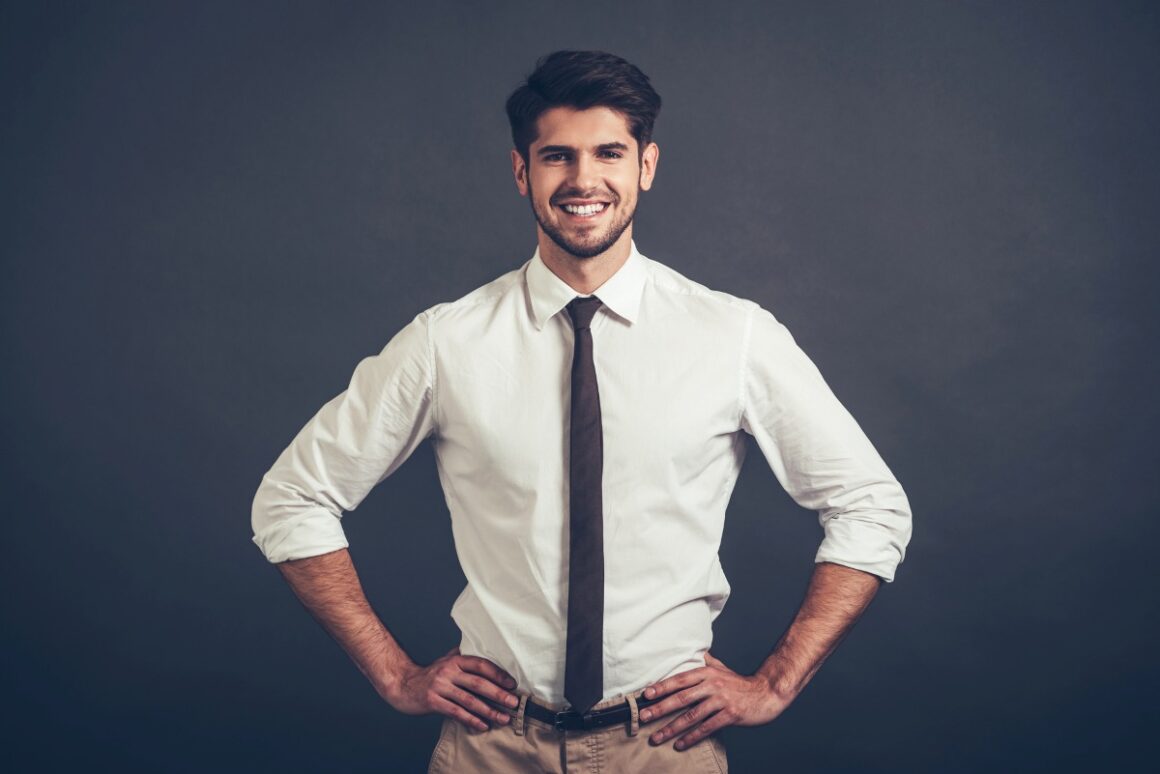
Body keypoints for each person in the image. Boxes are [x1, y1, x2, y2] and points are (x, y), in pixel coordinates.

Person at [251, 49, 912, 773]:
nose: (583, 180)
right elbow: (291, 500)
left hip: (663, 748)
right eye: (556, 156)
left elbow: (870, 506)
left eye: (609, 153)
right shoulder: (447, 342)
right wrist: (395, 673)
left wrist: (777, 683)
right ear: (521, 172)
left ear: (646, 166)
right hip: (491, 748)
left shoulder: (733, 335)